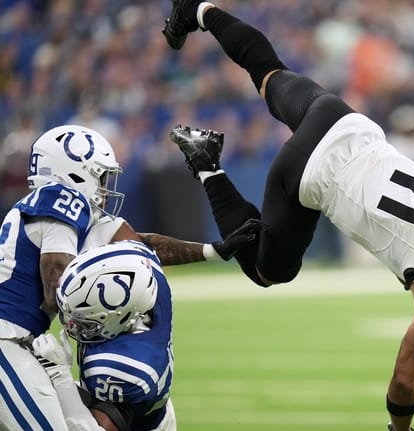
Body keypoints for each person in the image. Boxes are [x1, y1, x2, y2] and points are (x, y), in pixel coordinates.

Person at [162, 2, 414, 430]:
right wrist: (399, 428)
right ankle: (207, 164)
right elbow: (407, 375)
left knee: (268, 72)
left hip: (344, 123)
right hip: (312, 176)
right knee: (266, 270)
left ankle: (201, 11)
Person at [0, 124, 258, 430]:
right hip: (8, 339)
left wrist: (212, 250)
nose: (106, 188)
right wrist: (97, 312)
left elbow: (138, 247)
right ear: (73, 173)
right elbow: (56, 275)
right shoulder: (60, 197)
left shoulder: (75, 217)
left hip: (21, 341)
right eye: (100, 176)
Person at [32, 240, 175, 431]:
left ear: (118, 318)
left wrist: (60, 376)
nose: (71, 325)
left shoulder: (123, 367)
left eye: (85, 322)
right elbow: (145, 243)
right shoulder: (142, 268)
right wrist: (210, 251)